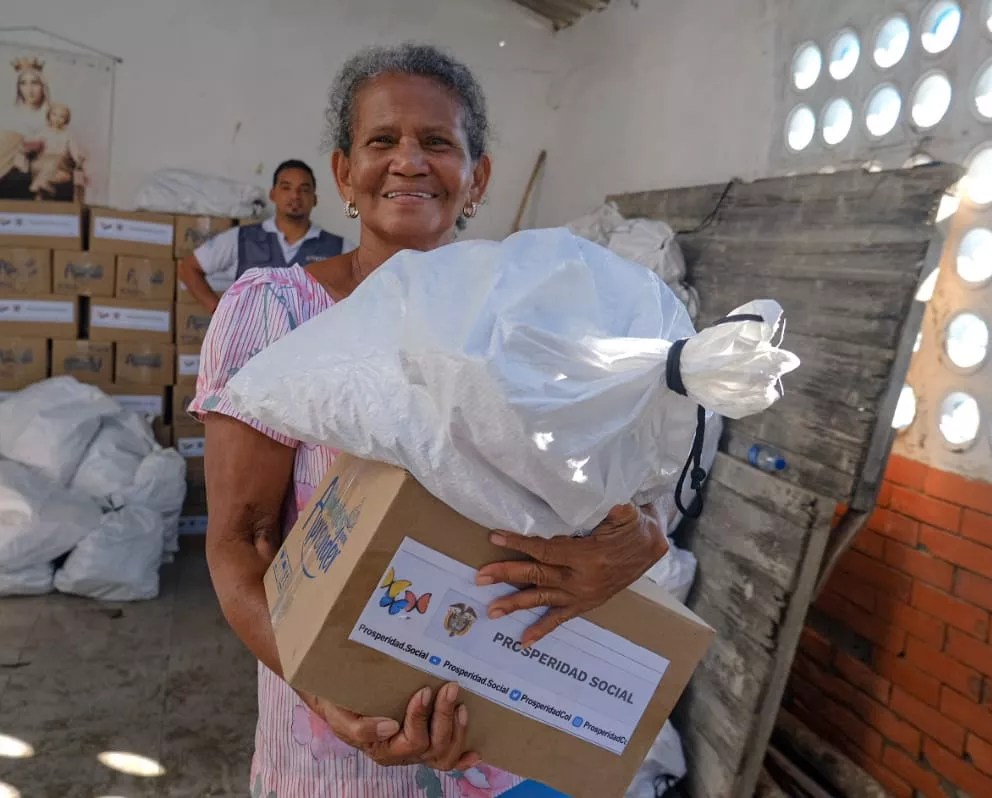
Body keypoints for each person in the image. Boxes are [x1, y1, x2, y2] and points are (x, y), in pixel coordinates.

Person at [191, 43, 670, 798]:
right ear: (344, 173)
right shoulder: (276, 315)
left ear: (476, 178)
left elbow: (619, 499)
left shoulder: (530, 322)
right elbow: (238, 542)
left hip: (510, 728)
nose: (409, 161)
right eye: (382, 141)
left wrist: (629, 549)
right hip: (338, 751)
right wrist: (324, 690)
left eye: (438, 143)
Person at [176, 159, 354, 312]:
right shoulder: (241, 239)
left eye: (304, 189)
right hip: (253, 349)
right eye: (286, 188)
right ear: (272, 194)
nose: (295, 195)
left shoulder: (340, 248)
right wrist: (219, 313)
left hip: (312, 348)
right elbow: (187, 268)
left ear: (315, 199)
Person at [0, 56, 54, 200]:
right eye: (23, 83)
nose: (29, 90)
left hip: (39, 169)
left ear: (43, 86)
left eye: (34, 83)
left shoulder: (53, 115)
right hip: (10, 170)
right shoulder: (8, 116)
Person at [28, 103, 84, 200]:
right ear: (49, 115)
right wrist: (33, 146)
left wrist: (78, 158)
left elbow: (75, 151)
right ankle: (43, 186)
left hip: (60, 163)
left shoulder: (67, 135)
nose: (57, 119)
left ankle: (39, 186)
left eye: (61, 116)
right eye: (54, 115)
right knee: (38, 164)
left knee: (54, 160)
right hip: (42, 161)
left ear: (66, 120)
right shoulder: (43, 132)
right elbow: (31, 144)